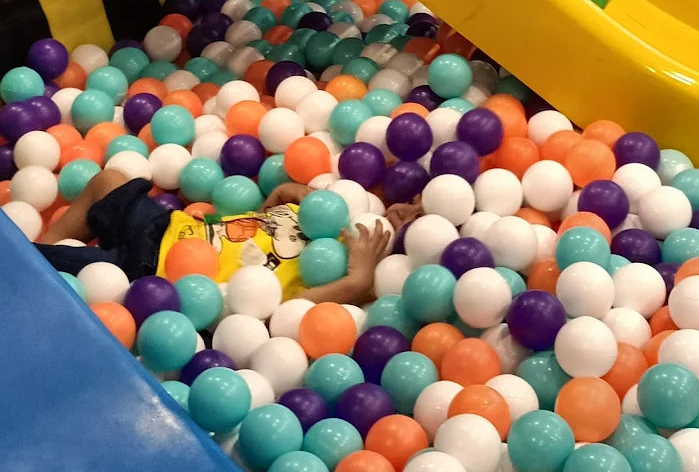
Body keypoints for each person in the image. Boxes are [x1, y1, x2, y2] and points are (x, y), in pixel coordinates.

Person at [34, 172, 421, 305]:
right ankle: (48, 239)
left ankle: (33, 253)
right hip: (172, 228)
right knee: (109, 182)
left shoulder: (356, 283)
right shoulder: (338, 215)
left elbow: (288, 311)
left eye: (420, 219)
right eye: (416, 202)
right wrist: (282, 194)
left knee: (41, 270)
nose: (409, 212)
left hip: (152, 277)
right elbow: (257, 225)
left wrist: (358, 280)